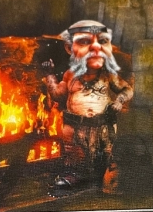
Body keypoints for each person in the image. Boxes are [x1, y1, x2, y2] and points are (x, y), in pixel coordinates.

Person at [44, 20, 133, 190]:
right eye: (85, 42)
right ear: (69, 49)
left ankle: (102, 176)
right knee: (74, 155)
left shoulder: (108, 75)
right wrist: (50, 75)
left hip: (103, 127)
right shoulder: (70, 76)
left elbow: (126, 89)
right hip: (75, 127)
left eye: (102, 41)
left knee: (104, 154)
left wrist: (119, 101)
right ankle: (74, 175)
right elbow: (58, 95)